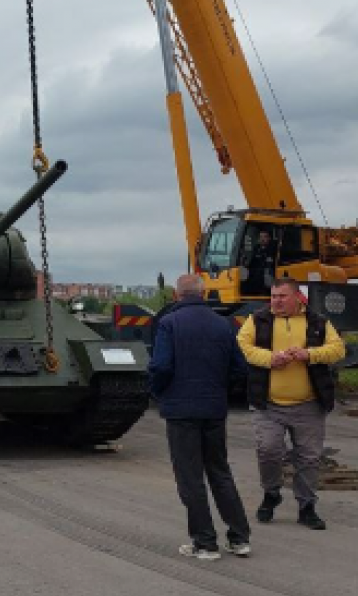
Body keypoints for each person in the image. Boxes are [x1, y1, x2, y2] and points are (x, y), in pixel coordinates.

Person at [148, 274, 252, 561]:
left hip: (181, 412)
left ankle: (205, 542)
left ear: (176, 295)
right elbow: (240, 369)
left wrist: (159, 394)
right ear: (204, 293)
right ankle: (239, 538)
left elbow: (160, 366)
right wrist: (219, 390)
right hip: (214, 409)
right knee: (220, 472)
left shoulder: (169, 323)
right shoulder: (223, 324)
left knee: (190, 478)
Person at [237, 277, 347, 530]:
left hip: (308, 405)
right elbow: (244, 345)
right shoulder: (257, 320)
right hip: (269, 405)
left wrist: (310, 355)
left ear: (297, 297)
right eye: (273, 296)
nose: (276, 301)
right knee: (268, 450)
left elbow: (338, 349)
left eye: (282, 296)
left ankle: (307, 507)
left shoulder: (317, 322)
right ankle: (271, 493)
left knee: (308, 458)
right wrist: (269, 359)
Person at [245, 229, 278, 295]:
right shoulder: (256, 248)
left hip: (268, 273)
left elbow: (270, 262)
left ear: (269, 238)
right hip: (256, 274)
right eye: (261, 237)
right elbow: (252, 262)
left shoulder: (273, 249)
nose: (262, 239)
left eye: (265, 237)